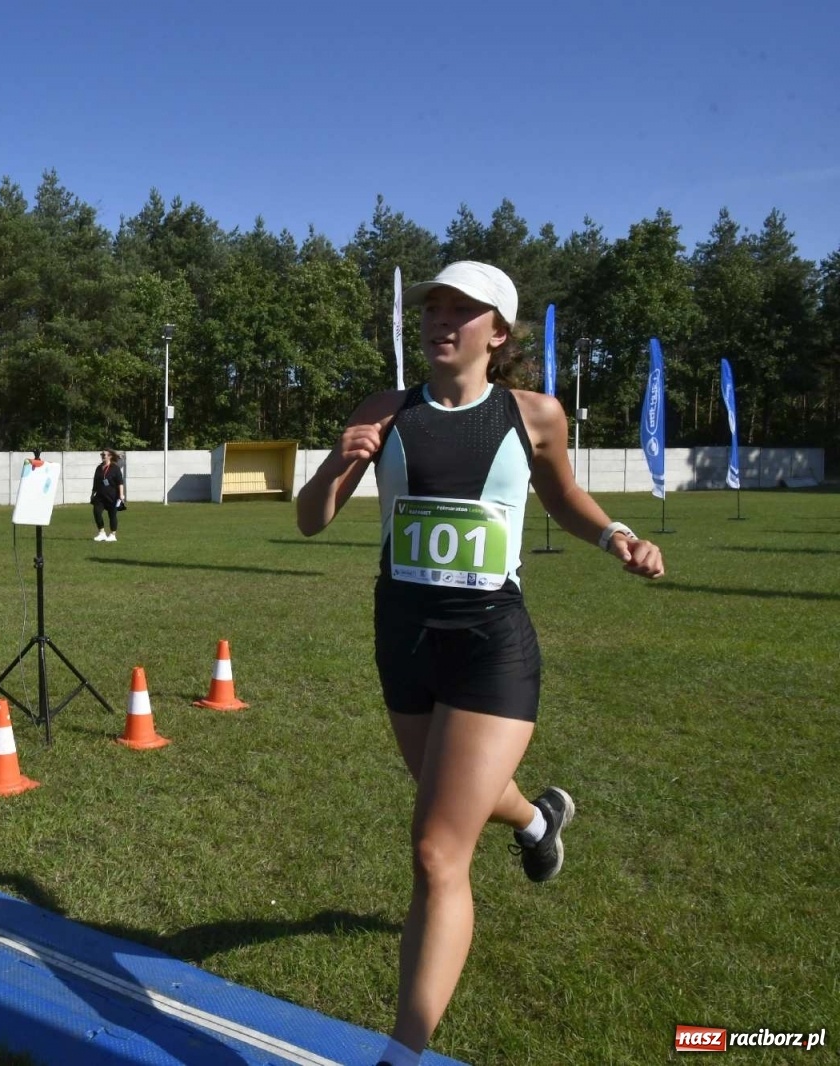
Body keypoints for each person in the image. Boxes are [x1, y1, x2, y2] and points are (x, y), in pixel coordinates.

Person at [294, 261, 665, 1066]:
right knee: (453, 794)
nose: (440, 321)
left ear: (497, 332)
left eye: (462, 310)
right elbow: (310, 523)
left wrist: (616, 536)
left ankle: (404, 1052)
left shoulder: (533, 415)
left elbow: (563, 496)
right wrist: (333, 463)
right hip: (403, 641)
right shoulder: (384, 412)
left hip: (492, 646)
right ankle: (538, 821)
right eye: (433, 307)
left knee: (436, 847)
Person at [91, 449, 126, 542]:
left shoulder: (115, 468)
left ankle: (112, 534)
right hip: (100, 496)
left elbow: (120, 482)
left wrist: (121, 495)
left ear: (110, 456)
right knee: (96, 512)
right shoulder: (99, 467)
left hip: (113, 496)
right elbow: (95, 482)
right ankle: (101, 533)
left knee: (112, 515)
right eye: (101, 454)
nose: (102, 455)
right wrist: (92, 494)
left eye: (104, 454)